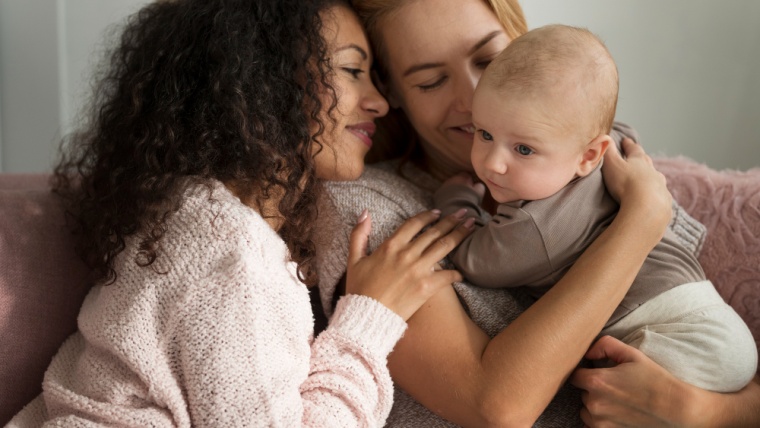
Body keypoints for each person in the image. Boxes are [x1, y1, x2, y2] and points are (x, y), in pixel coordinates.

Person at [7, 0, 475, 426]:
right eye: (352, 69)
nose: (380, 101)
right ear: (264, 79)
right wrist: (370, 318)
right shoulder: (230, 250)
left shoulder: (193, 213)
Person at [315, 0, 760, 426]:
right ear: (391, 91)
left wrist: (706, 414)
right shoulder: (368, 209)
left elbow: (718, 347)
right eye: (431, 81)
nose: (473, 99)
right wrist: (640, 222)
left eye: (488, 59)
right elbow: (497, 408)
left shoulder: (609, 164)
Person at [434, 23, 757, 393]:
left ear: (589, 155)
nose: (492, 163)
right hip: (712, 322)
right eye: (484, 133)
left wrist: (457, 198)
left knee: (612, 396)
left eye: (523, 149)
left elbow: (474, 260)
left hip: (675, 333)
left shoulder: (533, 225)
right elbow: (618, 128)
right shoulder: (614, 147)